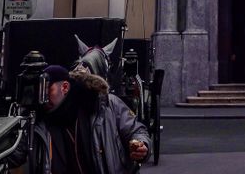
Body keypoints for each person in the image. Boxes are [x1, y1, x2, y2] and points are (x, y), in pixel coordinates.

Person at [14, 63, 150, 172]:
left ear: (65, 87)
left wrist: (142, 146)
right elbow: (16, 154)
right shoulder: (37, 120)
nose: (42, 97)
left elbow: (136, 130)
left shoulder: (105, 104)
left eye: (47, 89)